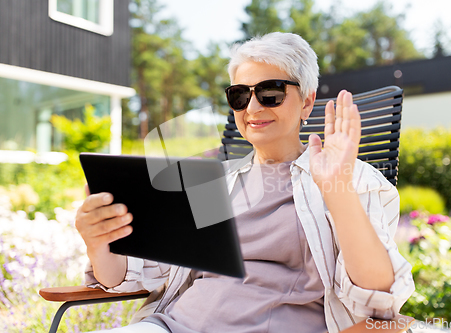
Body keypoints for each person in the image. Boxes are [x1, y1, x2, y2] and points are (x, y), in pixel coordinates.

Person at [76, 32, 414, 333]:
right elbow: (135, 274)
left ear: (307, 102)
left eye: (270, 92)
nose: (252, 107)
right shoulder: (213, 183)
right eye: (239, 95)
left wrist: (336, 190)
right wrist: (98, 241)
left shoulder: (349, 177)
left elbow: (379, 297)